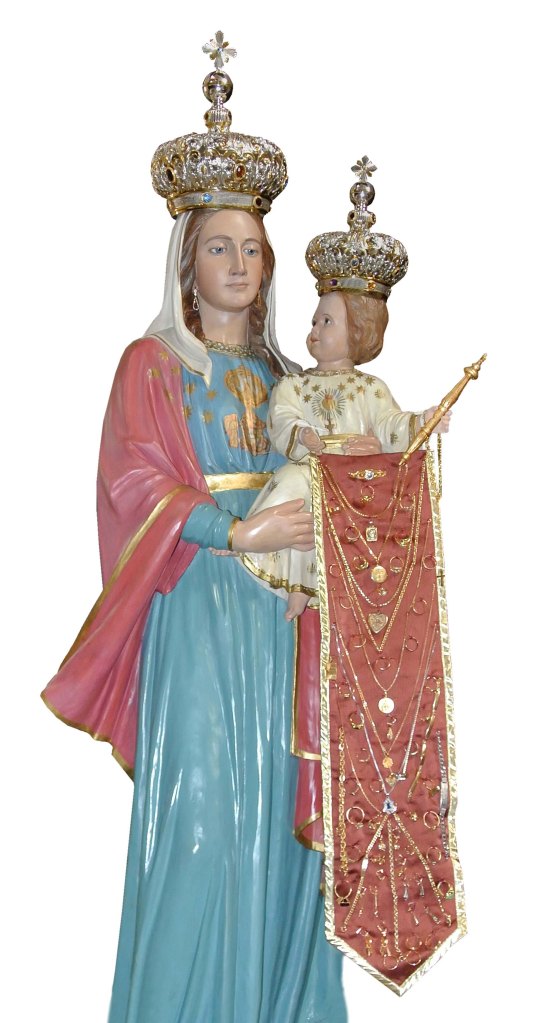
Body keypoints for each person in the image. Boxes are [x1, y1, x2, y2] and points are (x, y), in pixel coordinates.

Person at [41, 43, 348, 1023]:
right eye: (220, 247)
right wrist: (233, 529)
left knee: (282, 827)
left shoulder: (286, 379)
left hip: (282, 624)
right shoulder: (152, 367)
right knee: (200, 825)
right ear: (186, 260)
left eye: (252, 248)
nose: (239, 264)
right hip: (199, 612)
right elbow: (133, 483)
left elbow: (334, 478)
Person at [241, 279, 450, 622]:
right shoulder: (294, 384)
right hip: (312, 465)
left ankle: (341, 587)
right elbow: (282, 417)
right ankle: (289, 575)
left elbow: (390, 423)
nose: (315, 330)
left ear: (358, 333)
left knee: (347, 507)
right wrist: (302, 434)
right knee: (293, 485)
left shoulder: (371, 388)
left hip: (355, 476)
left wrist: (420, 423)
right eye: (314, 321)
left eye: (327, 322)